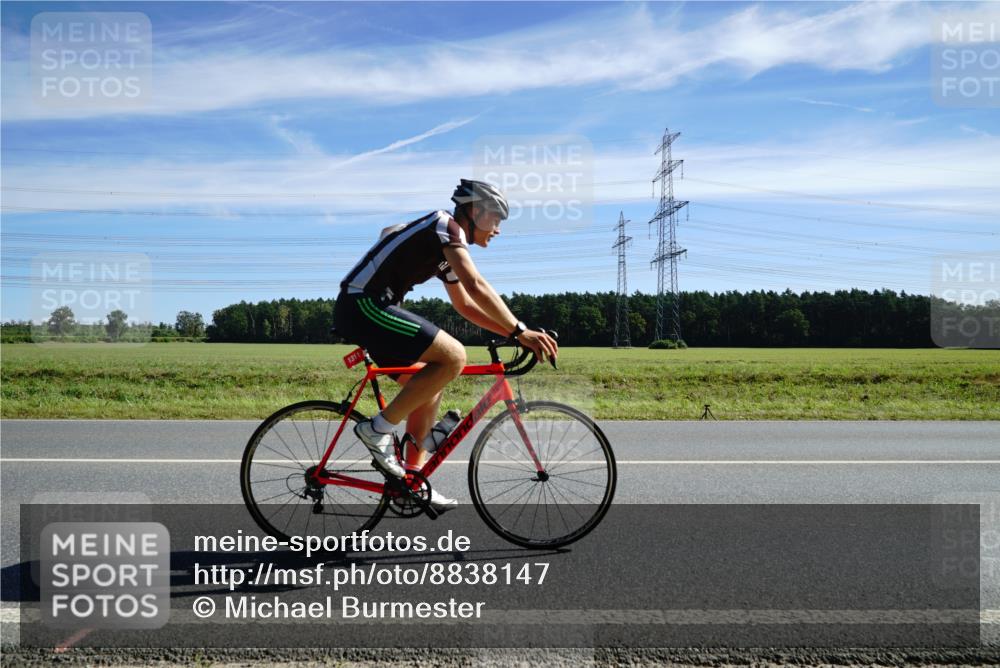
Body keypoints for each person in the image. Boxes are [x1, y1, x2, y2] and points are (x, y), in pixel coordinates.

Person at [333, 179, 559, 511]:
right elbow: (476, 283)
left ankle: (411, 481)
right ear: (476, 212)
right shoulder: (444, 226)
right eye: (496, 219)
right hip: (362, 304)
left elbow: (466, 305)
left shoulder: (446, 249)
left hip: (373, 308)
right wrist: (520, 329)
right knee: (454, 356)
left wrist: (512, 334)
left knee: (430, 385)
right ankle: (376, 429)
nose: (497, 229)